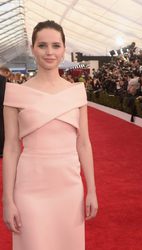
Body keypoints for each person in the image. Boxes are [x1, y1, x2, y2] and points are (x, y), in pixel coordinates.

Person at [2, 20, 98, 250]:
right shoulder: (15, 93)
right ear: (32, 48)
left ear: (64, 49)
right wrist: (7, 199)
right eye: (42, 45)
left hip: (69, 186)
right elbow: (11, 148)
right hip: (29, 187)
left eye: (56, 45)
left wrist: (92, 190)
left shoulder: (76, 93)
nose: (49, 52)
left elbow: (83, 144)